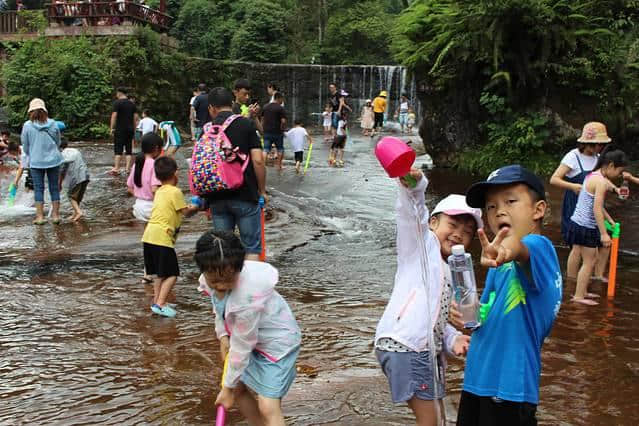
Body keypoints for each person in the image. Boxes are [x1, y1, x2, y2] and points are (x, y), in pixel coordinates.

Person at [457, 165, 562, 426]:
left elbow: (520, 248)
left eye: (511, 201)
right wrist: (464, 314)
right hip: (478, 380)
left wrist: (507, 251)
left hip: (510, 387)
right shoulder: (498, 265)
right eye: (491, 206)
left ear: (538, 210)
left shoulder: (540, 249)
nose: (499, 210)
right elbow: (486, 314)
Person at [375, 168, 478, 426]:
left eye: (467, 232)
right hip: (406, 345)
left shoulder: (453, 269)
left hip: (425, 350)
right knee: (430, 421)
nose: (458, 234)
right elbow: (411, 217)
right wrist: (415, 188)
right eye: (452, 225)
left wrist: (453, 339)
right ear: (433, 223)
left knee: (439, 417)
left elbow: (436, 317)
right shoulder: (421, 248)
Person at [195, 230, 301, 426]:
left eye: (227, 279)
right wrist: (223, 336)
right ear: (203, 270)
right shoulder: (211, 280)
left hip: (277, 344)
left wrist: (226, 389)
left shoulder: (247, 298)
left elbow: (243, 346)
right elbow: (220, 311)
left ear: (239, 268)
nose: (220, 286)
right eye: (214, 280)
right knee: (238, 389)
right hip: (246, 337)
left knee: (268, 405)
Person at [203, 87, 267, 261]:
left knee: (223, 247)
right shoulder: (245, 124)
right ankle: (249, 288)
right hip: (245, 194)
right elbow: (258, 160)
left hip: (216, 196)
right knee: (251, 246)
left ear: (211, 108)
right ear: (231, 104)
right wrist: (261, 191)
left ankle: (225, 287)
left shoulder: (208, 129)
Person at [564, 147, 627, 305]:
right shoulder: (599, 181)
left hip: (576, 222)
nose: (619, 176)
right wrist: (604, 233)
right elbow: (596, 208)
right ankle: (579, 296)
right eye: (619, 172)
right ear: (611, 165)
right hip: (586, 226)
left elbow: (596, 205)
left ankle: (581, 290)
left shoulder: (593, 175)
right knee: (590, 261)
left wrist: (610, 220)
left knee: (587, 257)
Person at [550, 122, 610, 283]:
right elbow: (554, 179)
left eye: (602, 145)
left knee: (597, 243)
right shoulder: (573, 156)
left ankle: (593, 277)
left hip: (593, 206)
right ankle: (572, 281)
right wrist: (573, 186)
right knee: (577, 245)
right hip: (574, 204)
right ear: (588, 143)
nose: (601, 148)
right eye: (599, 144)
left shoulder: (598, 159)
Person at [141, 156, 199, 318]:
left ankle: (158, 301)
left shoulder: (159, 191)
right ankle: (160, 304)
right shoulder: (175, 191)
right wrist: (198, 206)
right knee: (172, 273)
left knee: (159, 273)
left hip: (149, 236)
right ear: (175, 173)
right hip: (162, 238)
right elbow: (186, 212)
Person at [21, 98, 63, 225]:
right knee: (54, 188)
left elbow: (25, 145)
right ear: (45, 110)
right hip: (54, 161)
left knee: (39, 188)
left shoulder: (27, 126)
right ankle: (55, 216)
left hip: (36, 162)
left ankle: (40, 217)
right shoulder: (53, 123)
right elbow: (58, 142)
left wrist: (32, 154)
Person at [127, 132, 163, 223]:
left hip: (138, 206)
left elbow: (129, 188)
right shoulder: (154, 164)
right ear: (157, 148)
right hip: (150, 207)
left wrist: (141, 195)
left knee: (144, 235)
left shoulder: (137, 163)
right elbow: (154, 189)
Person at [59, 140, 89, 222]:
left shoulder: (62, 155)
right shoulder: (75, 150)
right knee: (77, 196)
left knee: (70, 195)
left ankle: (79, 212)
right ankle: (75, 213)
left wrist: (59, 184)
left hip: (76, 177)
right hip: (86, 175)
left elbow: (62, 171)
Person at [109, 87, 137, 175]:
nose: (116, 95)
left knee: (118, 149)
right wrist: (134, 129)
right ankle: (127, 169)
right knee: (129, 149)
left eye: (117, 93)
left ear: (120, 93)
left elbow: (114, 116)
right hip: (130, 129)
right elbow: (135, 118)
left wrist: (111, 128)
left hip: (120, 129)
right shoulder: (132, 104)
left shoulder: (117, 103)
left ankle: (116, 168)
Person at [261, 92, 287, 170]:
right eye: (282, 99)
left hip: (267, 131)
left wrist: (262, 129)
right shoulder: (280, 108)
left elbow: (262, 119)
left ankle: (262, 166)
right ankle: (279, 166)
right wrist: (282, 128)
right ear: (279, 98)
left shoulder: (265, 106)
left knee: (265, 149)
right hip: (277, 132)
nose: (283, 101)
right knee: (280, 149)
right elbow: (283, 121)